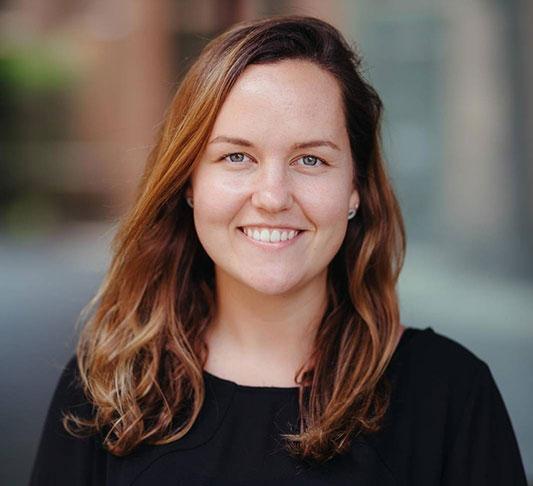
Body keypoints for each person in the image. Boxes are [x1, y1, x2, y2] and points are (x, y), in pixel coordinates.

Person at [29, 15, 527, 486]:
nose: (272, 197)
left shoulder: (451, 394)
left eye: (310, 159)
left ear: (356, 187)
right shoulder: (106, 388)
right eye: (237, 156)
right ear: (189, 184)